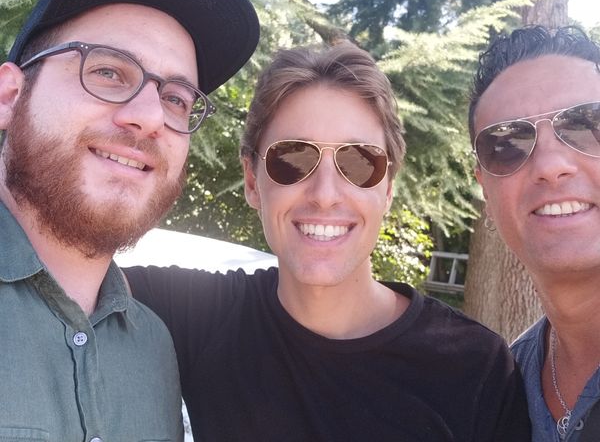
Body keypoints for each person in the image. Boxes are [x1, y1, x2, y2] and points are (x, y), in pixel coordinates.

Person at [126, 42, 531, 441]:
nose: (324, 194)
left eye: (359, 162)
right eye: (292, 158)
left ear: (388, 189)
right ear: (252, 181)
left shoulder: (474, 366)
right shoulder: (195, 316)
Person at [0, 0, 259, 441]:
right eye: (108, 71)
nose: (150, 117)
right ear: (10, 96)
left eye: (176, 99)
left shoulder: (154, 349)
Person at [470, 25, 600, 442]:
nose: (550, 166)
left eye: (586, 125)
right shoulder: (503, 389)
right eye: (506, 145)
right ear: (486, 192)